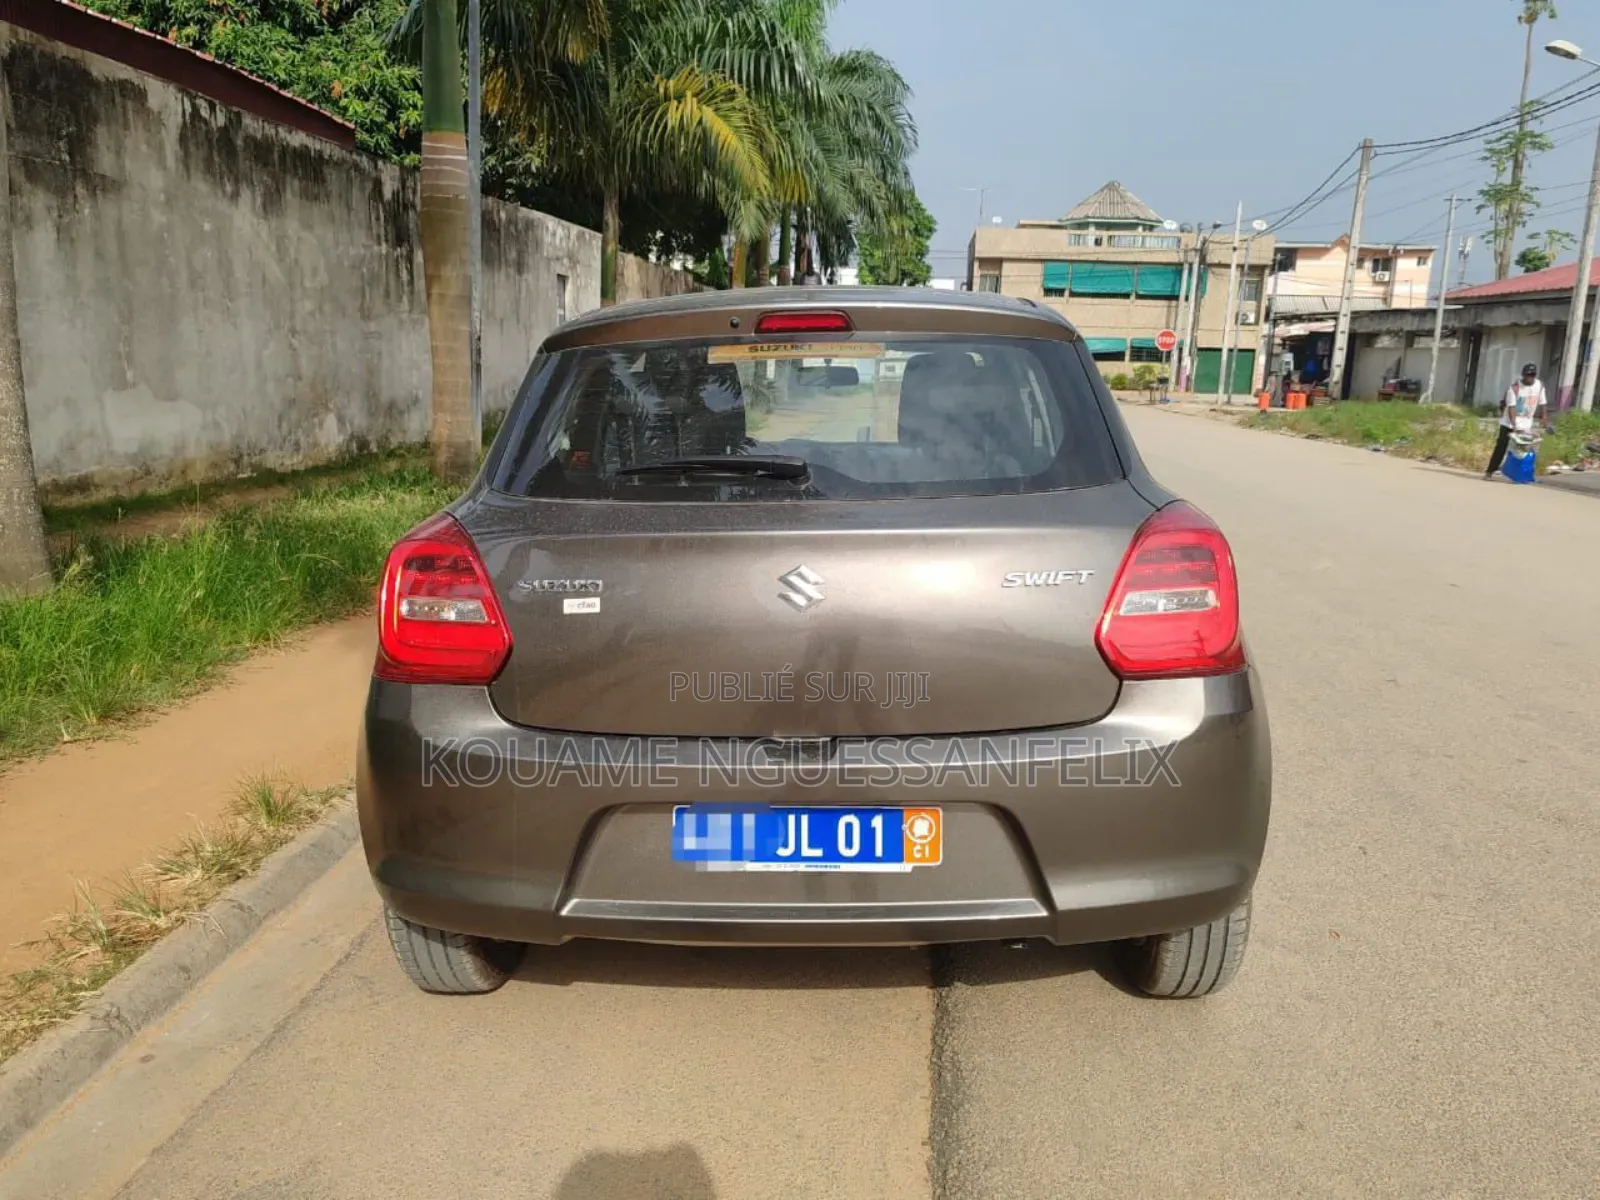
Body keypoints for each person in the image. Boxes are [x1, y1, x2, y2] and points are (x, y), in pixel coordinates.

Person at [1484, 361, 1548, 480]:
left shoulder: (1539, 386)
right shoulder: (1514, 388)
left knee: (1523, 450)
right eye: (1527, 375)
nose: (1529, 378)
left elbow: (1543, 403)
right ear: (1523, 375)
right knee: (1501, 447)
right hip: (1509, 423)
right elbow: (1511, 408)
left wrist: (1544, 417)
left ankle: (1519, 474)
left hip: (1526, 424)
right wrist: (1514, 425)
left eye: (1532, 375)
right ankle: (1490, 471)